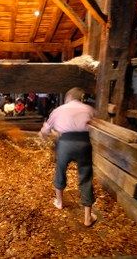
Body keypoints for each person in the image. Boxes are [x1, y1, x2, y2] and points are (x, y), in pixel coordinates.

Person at [38, 87, 97, 227]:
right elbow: (95, 123)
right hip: (84, 143)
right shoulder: (89, 109)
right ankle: (88, 217)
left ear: (68, 97)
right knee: (86, 177)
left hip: (65, 143)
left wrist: (41, 136)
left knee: (60, 170)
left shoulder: (58, 110)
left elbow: (45, 130)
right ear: (80, 98)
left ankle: (59, 202)